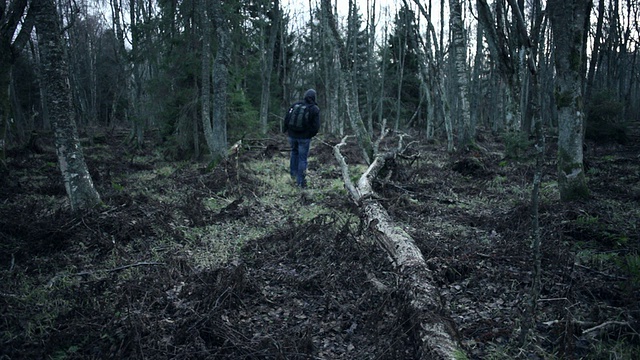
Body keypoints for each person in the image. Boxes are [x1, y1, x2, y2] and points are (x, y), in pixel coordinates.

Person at [283, 89, 320, 188]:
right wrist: (310, 134)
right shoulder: (314, 108)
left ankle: (293, 176)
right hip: (304, 138)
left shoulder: (295, 105)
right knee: (302, 159)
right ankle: (301, 182)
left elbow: (286, 119)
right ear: (314, 97)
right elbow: (316, 126)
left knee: (294, 154)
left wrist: (286, 130)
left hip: (292, 136)